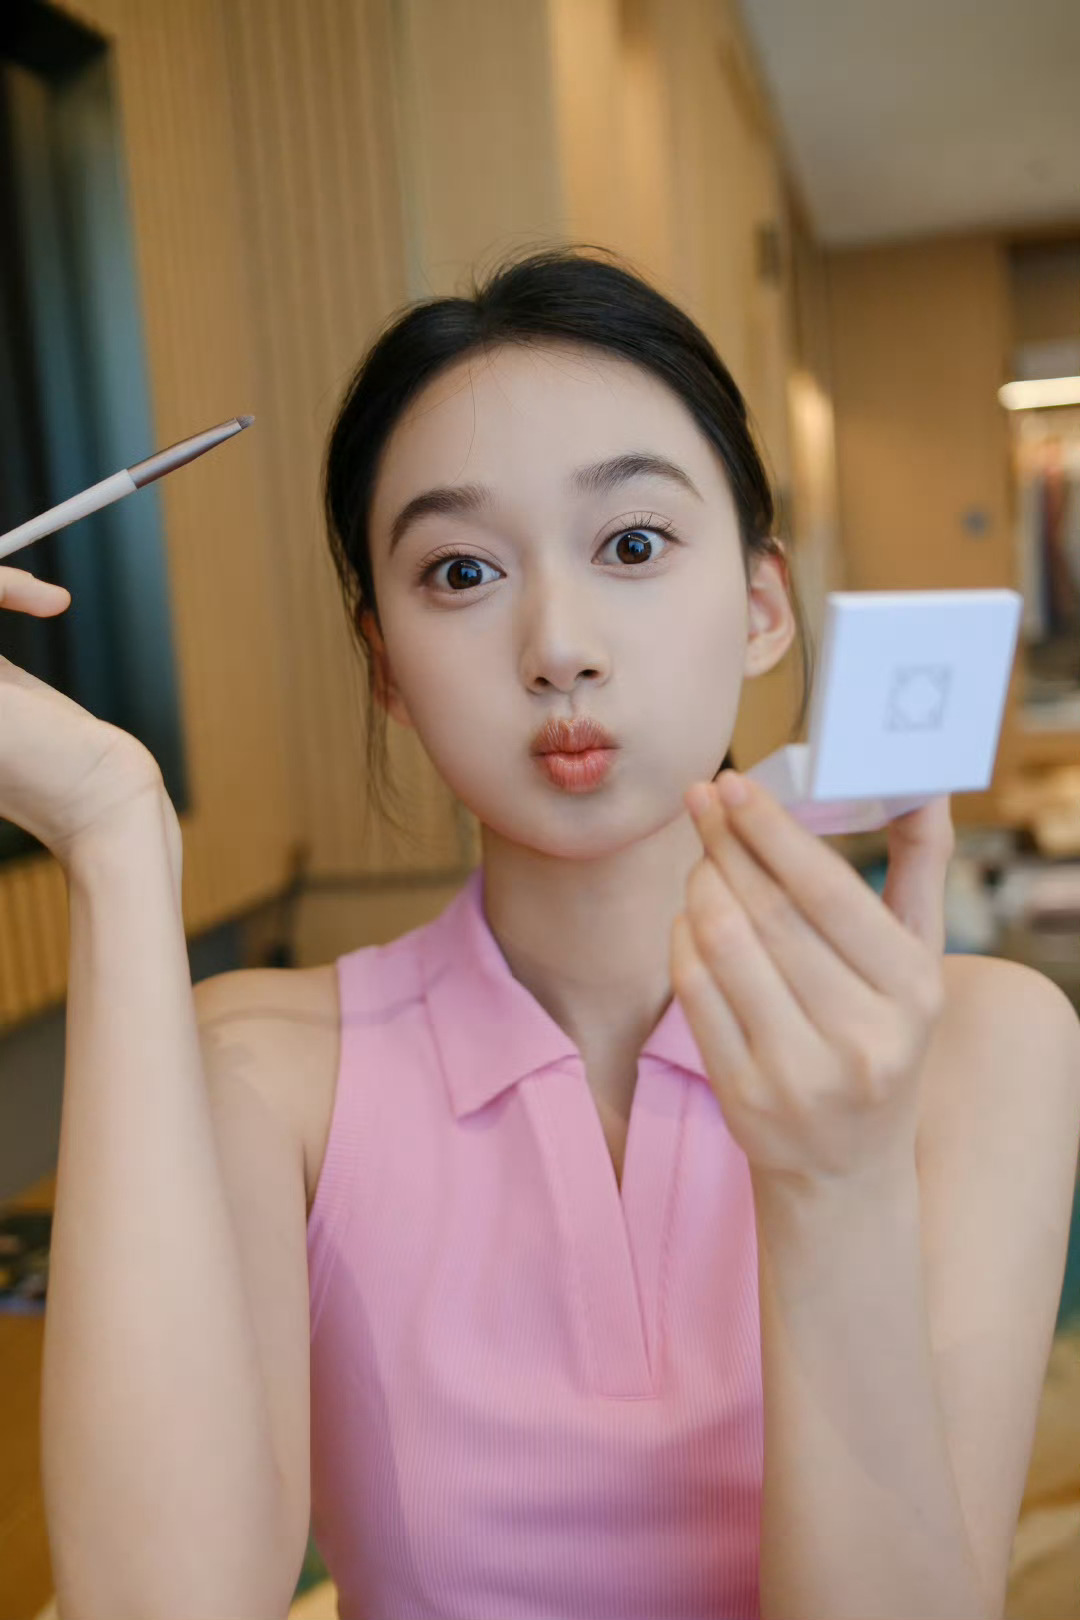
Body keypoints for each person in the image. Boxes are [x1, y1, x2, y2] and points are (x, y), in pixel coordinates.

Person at [4, 247, 1078, 1620]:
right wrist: (107, 834)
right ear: (386, 667)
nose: (557, 646)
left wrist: (839, 1183)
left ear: (762, 606)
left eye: (632, 545)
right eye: (461, 570)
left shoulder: (984, 1044)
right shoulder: (267, 1072)